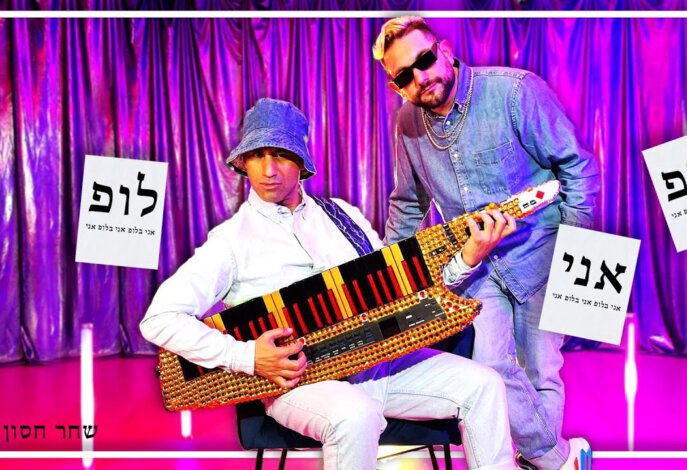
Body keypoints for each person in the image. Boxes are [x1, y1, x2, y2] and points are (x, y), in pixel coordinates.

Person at [141, 98, 520, 469]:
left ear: (301, 161)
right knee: (355, 414)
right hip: (300, 382)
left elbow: (400, 293)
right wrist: (247, 357)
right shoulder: (230, 241)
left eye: (281, 154)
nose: (268, 169)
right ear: (242, 162)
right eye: (257, 155)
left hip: (377, 365)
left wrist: (467, 258)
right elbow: (159, 319)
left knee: (483, 384)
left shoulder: (343, 216)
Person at [373, 17, 601, 470]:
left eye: (424, 60)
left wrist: (577, 252)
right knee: (491, 368)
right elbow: (408, 204)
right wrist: (389, 274)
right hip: (475, 265)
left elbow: (578, 166)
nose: (421, 77)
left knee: (541, 370)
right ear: (396, 85)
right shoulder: (407, 124)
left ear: (445, 50)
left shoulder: (515, 91)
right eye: (404, 76)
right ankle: (561, 459)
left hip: (542, 253)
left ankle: (540, 459)